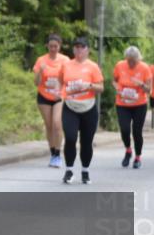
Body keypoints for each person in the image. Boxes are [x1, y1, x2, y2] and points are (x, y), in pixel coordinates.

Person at [58, 37, 104, 184]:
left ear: (87, 50)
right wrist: (63, 92)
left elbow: (101, 88)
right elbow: (61, 81)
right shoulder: (66, 65)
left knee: (86, 142)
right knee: (70, 138)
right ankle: (69, 170)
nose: (79, 50)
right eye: (76, 47)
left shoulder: (93, 66)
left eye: (82, 47)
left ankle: (85, 171)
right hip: (70, 106)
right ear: (73, 50)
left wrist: (88, 85)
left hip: (88, 107)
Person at [33, 35, 69, 168]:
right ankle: (53, 153)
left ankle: (58, 154)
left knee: (57, 124)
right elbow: (36, 82)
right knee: (49, 126)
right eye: (51, 46)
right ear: (47, 46)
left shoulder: (65, 60)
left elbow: (69, 78)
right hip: (44, 96)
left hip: (59, 96)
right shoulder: (41, 60)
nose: (53, 49)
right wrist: (40, 72)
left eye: (56, 46)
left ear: (59, 46)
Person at [113, 46, 152, 169]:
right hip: (122, 103)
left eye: (133, 61)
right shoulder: (120, 65)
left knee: (137, 132)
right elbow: (114, 81)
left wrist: (140, 84)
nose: (130, 63)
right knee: (124, 129)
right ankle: (128, 150)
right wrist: (118, 89)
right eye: (128, 60)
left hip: (139, 105)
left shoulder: (144, 68)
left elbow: (149, 89)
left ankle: (138, 157)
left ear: (138, 59)